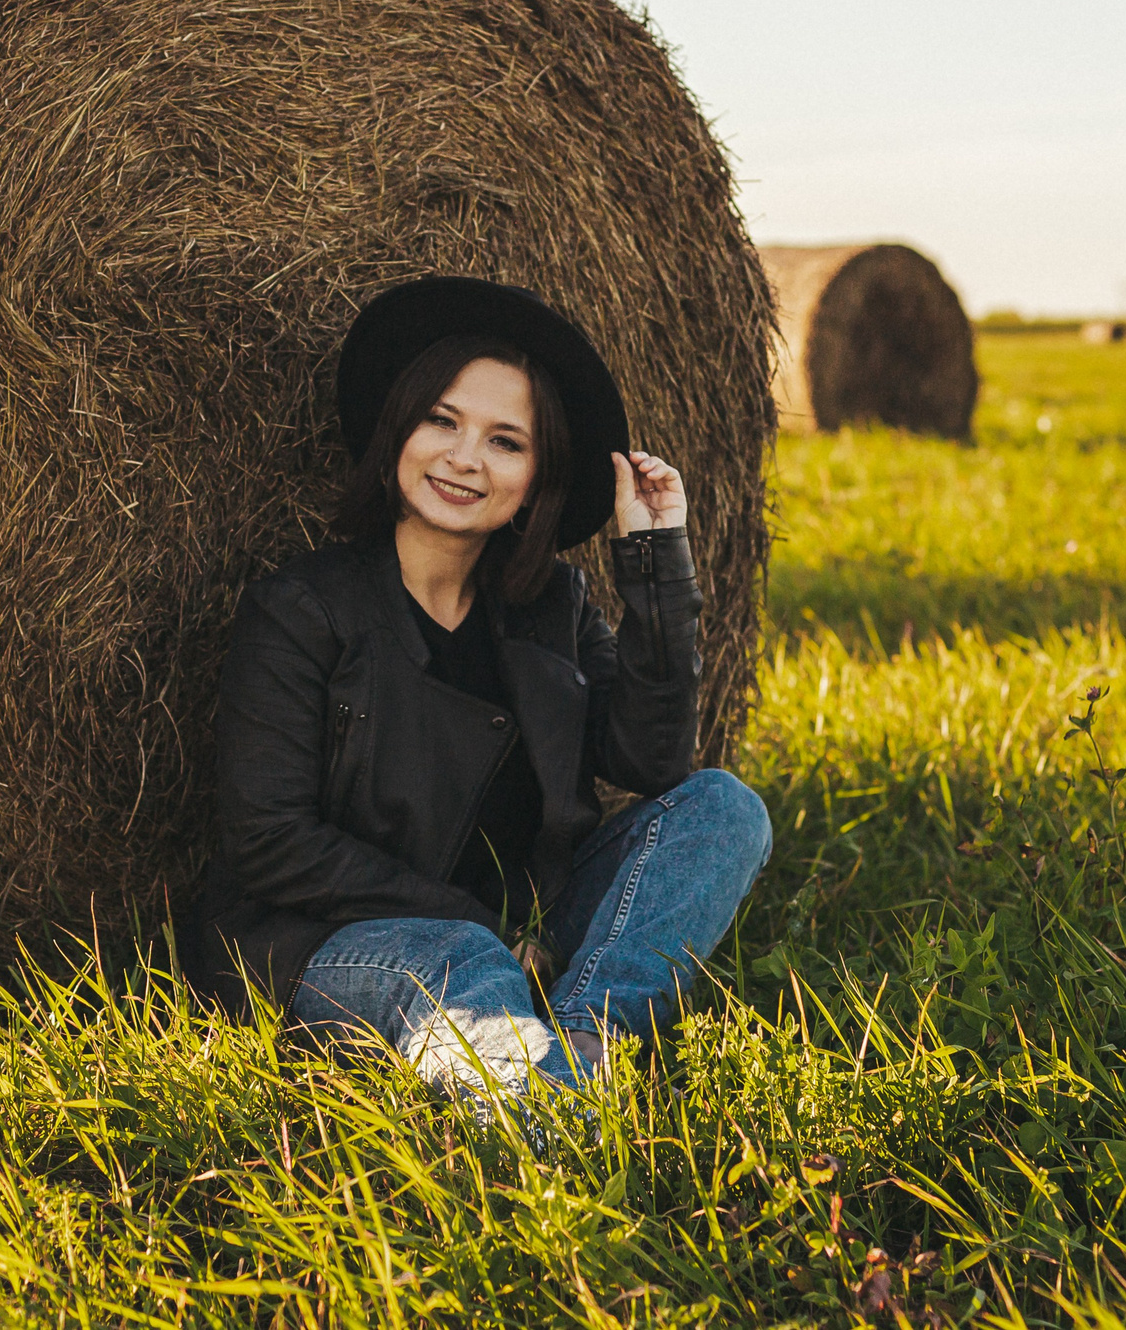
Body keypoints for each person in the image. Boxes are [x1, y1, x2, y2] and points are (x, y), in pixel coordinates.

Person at [191, 276, 773, 1101]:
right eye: (442, 421)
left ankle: (579, 1043)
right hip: (330, 944)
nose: (465, 458)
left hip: (515, 927)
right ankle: (548, 1118)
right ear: (400, 431)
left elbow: (653, 760)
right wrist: (481, 927)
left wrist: (655, 563)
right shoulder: (302, 609)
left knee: (724, 811)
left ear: (537, 478)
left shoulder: (551, 607)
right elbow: (270, 840)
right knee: (456, 961)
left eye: (506, 441)